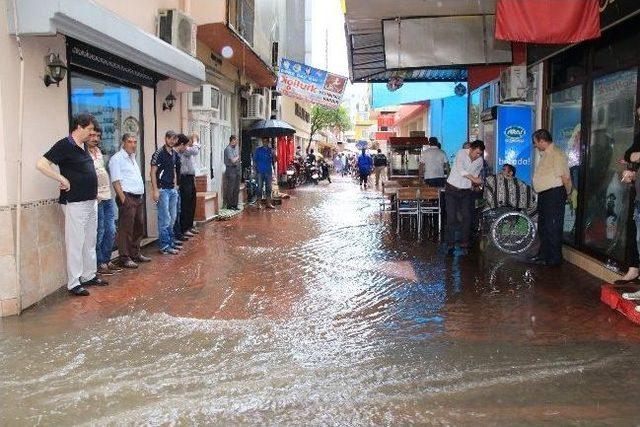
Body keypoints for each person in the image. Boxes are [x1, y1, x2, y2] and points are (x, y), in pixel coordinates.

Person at [36, 114, 108, 296]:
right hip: (75, 202)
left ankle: (89, 275)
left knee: (90, 241)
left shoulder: (82, 147)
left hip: (91, 201)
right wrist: (61, 178)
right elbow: (41, 164)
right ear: (79, 127)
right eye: (90, 129)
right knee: (76, 243)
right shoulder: (64, 145)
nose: (92, 133)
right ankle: (74, 282)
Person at [530, 129, 571, 267]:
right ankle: (543, 254)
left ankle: (554, 259)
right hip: (546, 195)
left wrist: (568, 193)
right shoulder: (546, 154)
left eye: (535, 143)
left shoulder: (557, 154)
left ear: (542, 141)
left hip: (554, 194)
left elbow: (564, 177)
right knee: (543, 226)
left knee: (553, 227)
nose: (535, 146)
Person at [109, 133, 149, 269]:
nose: (133, 145)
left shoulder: (132, 158)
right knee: (126, 229)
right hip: (127, 197)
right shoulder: (117, 159)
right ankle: (124, 258)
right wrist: (124, 200)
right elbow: (115, 181)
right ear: (123, 143)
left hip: (138, 197)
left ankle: (135, 253)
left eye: (135, 142)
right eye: (130, 142)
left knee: (139, 226)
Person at [87, 127, 121, 276]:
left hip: (107, 196)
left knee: (111, 230)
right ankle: (99, 263)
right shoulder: (83, 153)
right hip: (97, 198)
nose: (95, 138)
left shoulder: (98, 151)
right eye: (92, 135)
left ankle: (106, 260)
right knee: (99, 232)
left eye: (98, 136)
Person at [442, 140, 485, 256]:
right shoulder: (461, 153)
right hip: (452, 189)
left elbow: (476, 175)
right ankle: (450, 244)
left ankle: (464, 243)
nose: (477, 156)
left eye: (480, 154)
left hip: (466, 191)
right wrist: (475, 180)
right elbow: (461, 170)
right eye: (476, 153)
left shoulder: (480, 161)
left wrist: (476, 183)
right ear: (470, 149)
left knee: (467, 216)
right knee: (451, 217)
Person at [151, 130, 181, 254]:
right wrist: (155, 190)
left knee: (173, 217)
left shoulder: (174, 154)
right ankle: (164, 246)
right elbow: (152, 172)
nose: (172, 141)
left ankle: (171, 242)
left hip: (172, 189)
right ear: (166, 138)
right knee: (165, 218)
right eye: (170, 138)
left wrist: (175, 186)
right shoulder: (159, 153)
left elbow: (174, 170)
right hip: (162, 189)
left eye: (174, 139)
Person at [178, 133, 201, 234]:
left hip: (190, 178)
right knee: (186, 204)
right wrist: (195, 139)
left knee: (192, 202)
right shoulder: (184, 150)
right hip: (184, 179)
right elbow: (196, 150)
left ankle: (190, 226)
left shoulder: (188, 151)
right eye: (190, 142)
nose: (191, 144)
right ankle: (185, 228)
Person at [254, 137, 276, 209]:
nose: (265, 142)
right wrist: (255, 170)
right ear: (262, 142)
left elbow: (275, 160)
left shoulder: (271, 150)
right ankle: (259, 204)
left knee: (269, 188)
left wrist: (274, 154)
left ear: (268, 142)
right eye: (264, 141)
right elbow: (254, 160)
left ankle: (268, 203)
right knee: (259, 187)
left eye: (266, 141)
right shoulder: (258, 150)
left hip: (268, 172)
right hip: (260, 172)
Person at [224, 135, 241, 210]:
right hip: (230, 169)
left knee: (236, 188)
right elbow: (233, 161)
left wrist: (236, 158)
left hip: (237, 169)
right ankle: (229, 205)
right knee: (231, 187)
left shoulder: (235, 149)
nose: (237, 142)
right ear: (233, 140)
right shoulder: (228, 149)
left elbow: (236, 160)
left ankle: (235, 205)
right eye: (236, 140)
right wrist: (237, 157)